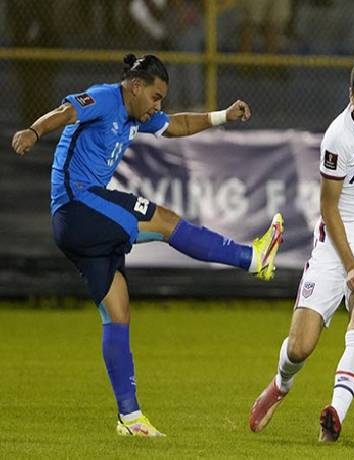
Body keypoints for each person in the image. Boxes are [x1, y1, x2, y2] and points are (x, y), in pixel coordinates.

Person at [11, 54, 284, 437]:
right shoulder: (105, 98)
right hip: (79, 206)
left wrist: (223, 115)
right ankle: (252, 258)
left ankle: (130, 418)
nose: (158, 106)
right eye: (155, 97)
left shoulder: (138, 113)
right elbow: (64, 112)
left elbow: (176, 126)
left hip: (77, 223)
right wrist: (34, 132)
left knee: (117, 312)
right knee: (165, 220)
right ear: (136, 87)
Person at [248, 57, 354, 442]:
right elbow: (328, 208)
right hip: (334, 242)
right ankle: (280, 385)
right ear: (350, 96)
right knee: (301, 348)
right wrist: (350, 265)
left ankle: (334, 414)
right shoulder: (338, 138)